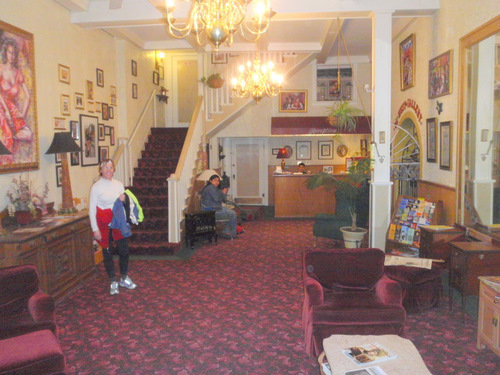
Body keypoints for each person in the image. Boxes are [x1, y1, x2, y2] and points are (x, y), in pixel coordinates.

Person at [89, 159, 137, 295]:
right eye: (105, 167)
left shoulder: (119, 184)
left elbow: (125, 206)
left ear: (114, 169)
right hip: (104, 225)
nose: (108, 170)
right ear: (101, 170)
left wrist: (124, 199)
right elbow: (92, 210)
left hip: (119, 223)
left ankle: (124, 277)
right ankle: (112, 280)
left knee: (124, 251)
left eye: (111, 167)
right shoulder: (96, 187)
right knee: (108, 252)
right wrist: (95, 229)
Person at [0, 38, 32, 162]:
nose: (12, 56)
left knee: (28, 134)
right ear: (5, 53)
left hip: (12, 108)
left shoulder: (18, 73)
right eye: (9, 52)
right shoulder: (1, 69)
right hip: (1, 105)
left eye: (14, 53)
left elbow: (28, 96)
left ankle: (13, 136)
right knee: (7, 134)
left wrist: (22, 114)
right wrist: (6, 111)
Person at [200, 174, 238, 239]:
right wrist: (223, 193)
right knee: (232, 213)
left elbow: (221, 198)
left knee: (229, 212)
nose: (217, 182)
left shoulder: (212, 188)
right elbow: (217, 199)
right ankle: (232, 233)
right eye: (215, 180)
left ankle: (226, 231)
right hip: (211, 210)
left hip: (216, 208)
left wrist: (223, 193)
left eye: (218, 180)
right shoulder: (211, 188)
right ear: (210, 181)